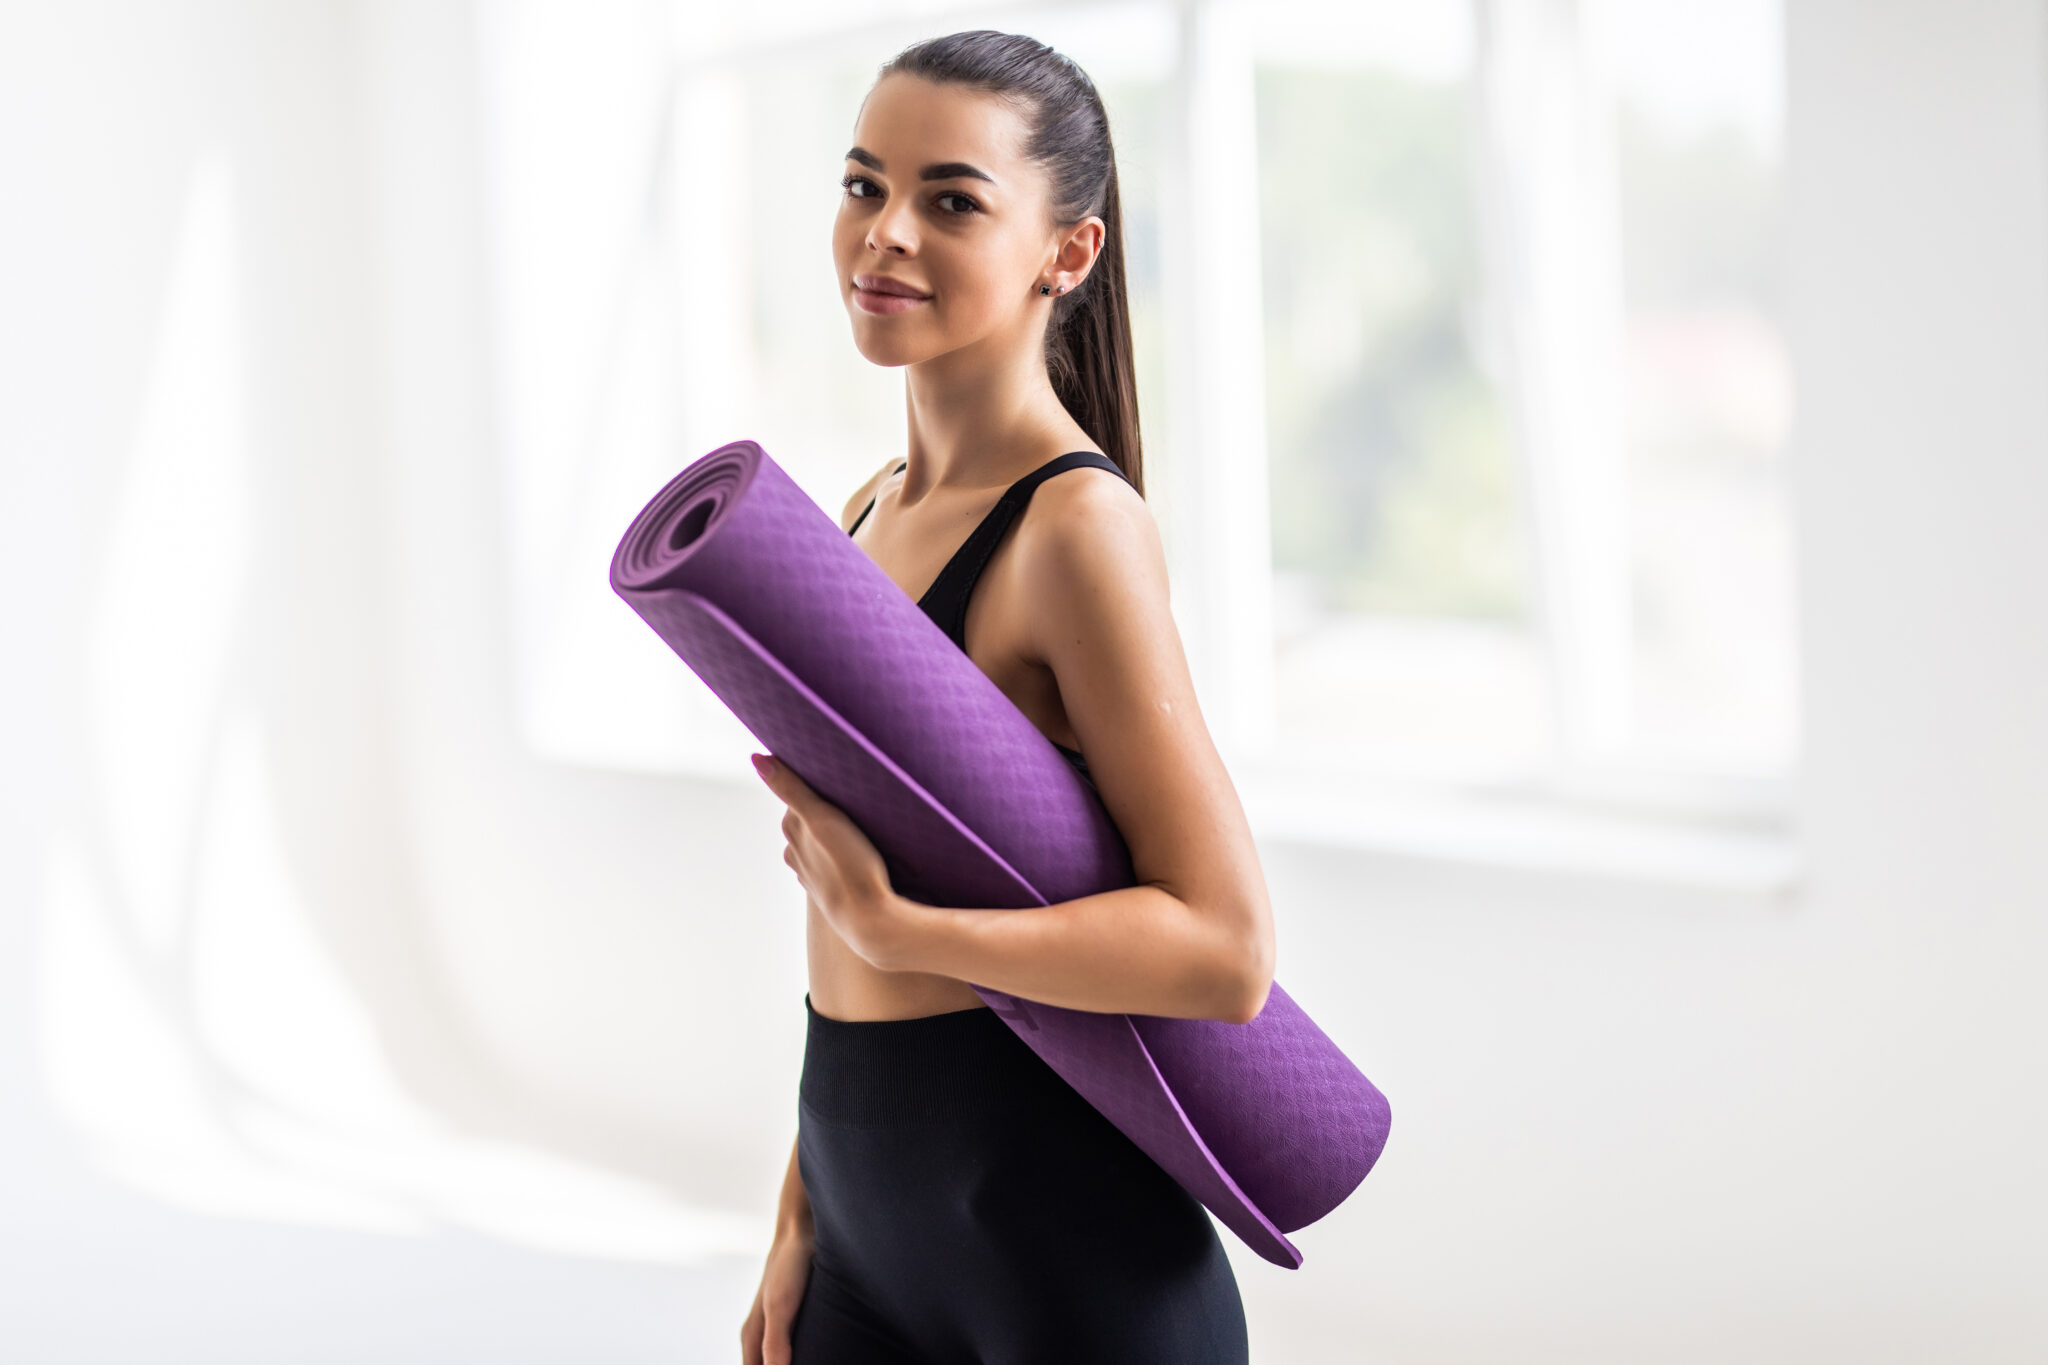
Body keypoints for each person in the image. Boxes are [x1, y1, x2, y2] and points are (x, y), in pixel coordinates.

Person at [739, 28, 1276, 1365]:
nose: (885, 232)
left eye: (952, 200)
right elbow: (840, 954)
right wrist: (801, 1212)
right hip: (863, 1228)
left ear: (1068, 253)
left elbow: (1224, 949)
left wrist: (906, 930)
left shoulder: (1075, 529)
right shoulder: (866, 510)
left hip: (1065, 1254)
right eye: (864, 185)